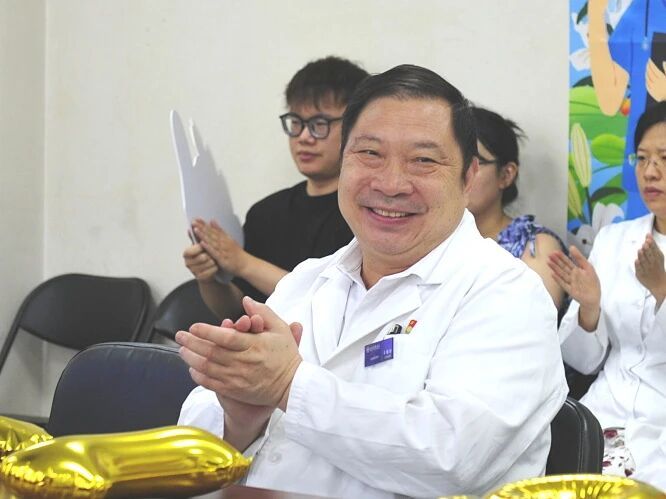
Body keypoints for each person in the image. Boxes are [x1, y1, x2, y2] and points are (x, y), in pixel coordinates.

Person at [176, 64, 568, 498]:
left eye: (423, 160)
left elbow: (451, 457)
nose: (392, 183)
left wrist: (288, 385)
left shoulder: (509, 293)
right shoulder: (307, 281)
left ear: (468, 176)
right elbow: (192, 435)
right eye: (369, 154)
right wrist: (241, 421)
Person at [183, 56, 368, 318]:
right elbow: (236, 309)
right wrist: (209, 277)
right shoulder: (266, 213)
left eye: (319, 125)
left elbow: (333, 304)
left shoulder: (367, 213)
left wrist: (243, 263)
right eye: (296, 123)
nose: (304, 137)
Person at [550, 101, 666, 489]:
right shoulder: (615, 239)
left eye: (664, 158)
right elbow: (581, 362)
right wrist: (589, 307)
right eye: (643, 158)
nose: (650, 172)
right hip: (603, 411)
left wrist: (662, 290)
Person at [467, 106, 567, 310]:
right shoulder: (430, 241)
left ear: (506, 174)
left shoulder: (535, 246)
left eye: (474, 163)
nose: (460, 174)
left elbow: (534, 322)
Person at [588, 0, 666, 219]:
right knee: (639, 239)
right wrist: (595, 15)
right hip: (645, 178)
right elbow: (609, 101)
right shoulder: (642, 9)